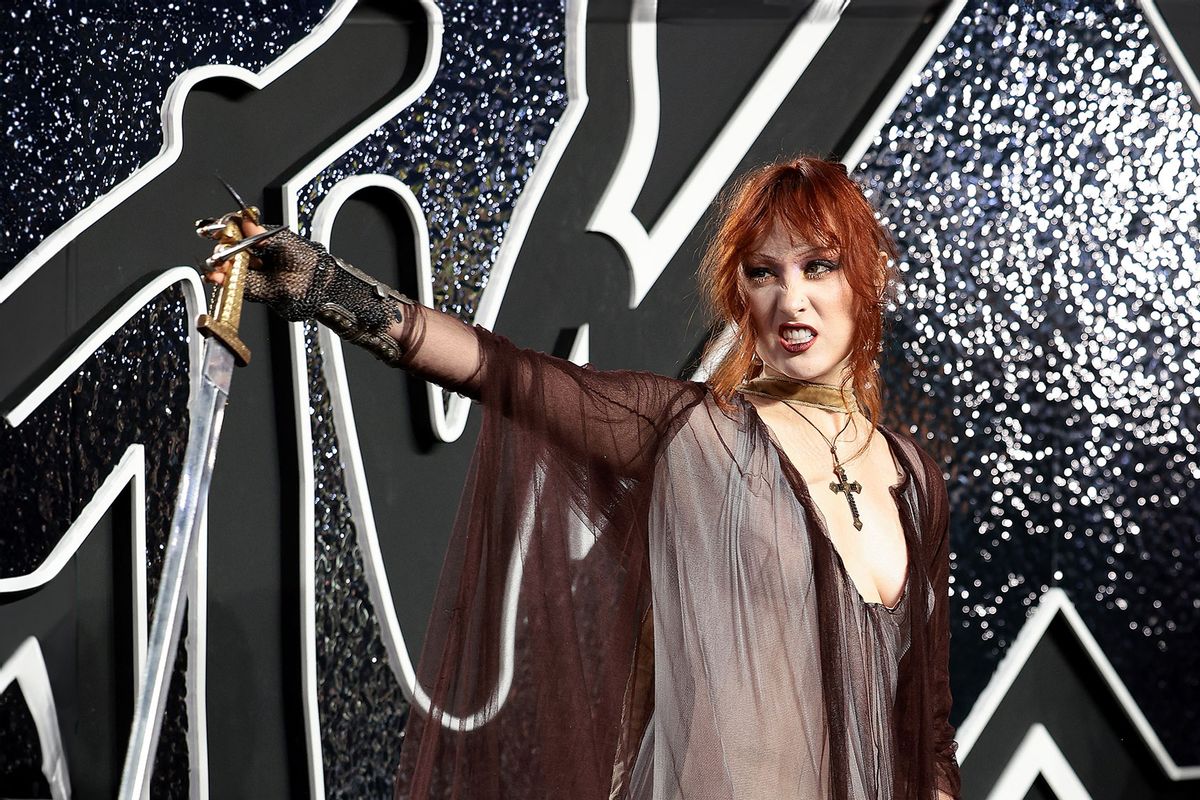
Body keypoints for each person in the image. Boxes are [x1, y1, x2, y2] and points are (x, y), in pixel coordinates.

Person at [206, 156, 961, 799]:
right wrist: (332, 290)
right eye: (764, 272)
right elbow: (504, 371)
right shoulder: (695, 433)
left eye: (818, 265)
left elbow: (925, 735)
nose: (791, 299)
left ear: (862, 278)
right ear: (741, 296)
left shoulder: (914, 480)